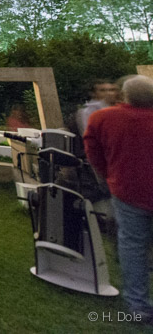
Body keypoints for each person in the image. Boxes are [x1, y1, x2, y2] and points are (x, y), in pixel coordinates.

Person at [83, 75, 153, 320]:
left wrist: (109, 177)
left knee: (133, 246)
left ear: (124, 95)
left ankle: (138, 305)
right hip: (130, 190)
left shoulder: (103, 118)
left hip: (127, 192)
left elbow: (93, 153)